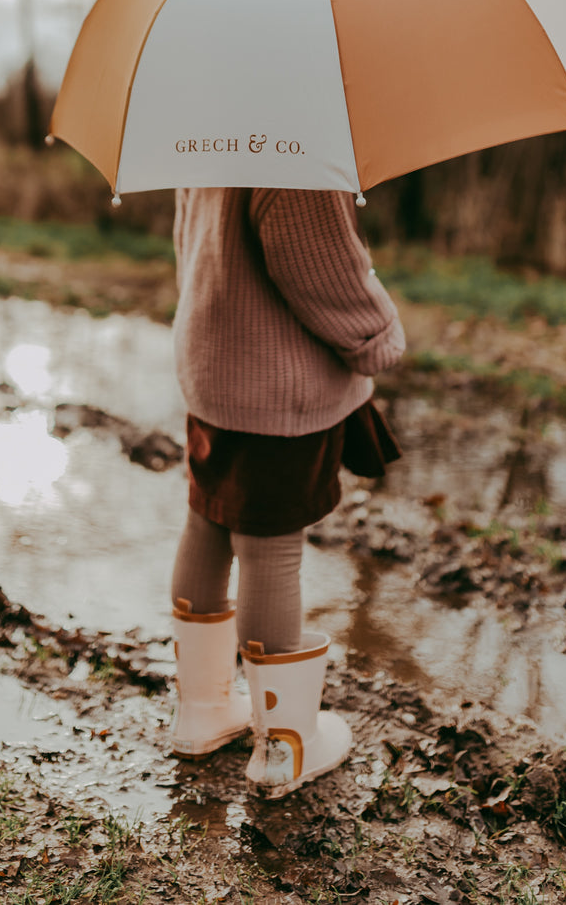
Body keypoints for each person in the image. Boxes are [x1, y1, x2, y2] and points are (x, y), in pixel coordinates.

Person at [168, 186, 405, 800]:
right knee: (270, 549)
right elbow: (322, 270)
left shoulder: (208, 123)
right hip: (276, 384)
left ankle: (201, 710)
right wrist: (378, 335)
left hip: (213, 365)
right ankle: (284, 746)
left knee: (207, 521)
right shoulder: (292, 148)